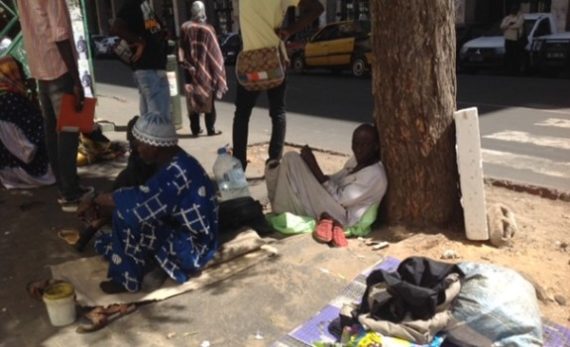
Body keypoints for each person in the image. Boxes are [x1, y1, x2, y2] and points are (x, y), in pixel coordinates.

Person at [78, 112, 218, 293]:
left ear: (154, 146)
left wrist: (97, 198)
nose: (136, 150)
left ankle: (126, 280)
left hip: (192, 249)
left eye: (138, 145)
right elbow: (148, 198)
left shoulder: (175, 174)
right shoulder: (179, 161)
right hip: (190, 236)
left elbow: (138, 205)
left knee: (125, 215)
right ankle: (154, 264)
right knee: (108, 240)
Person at [16, 0, 92, 212]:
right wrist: (76, 78)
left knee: (53, 130)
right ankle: (70, 191)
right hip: (59, 68)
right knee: (68, 130)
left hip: (41, 68)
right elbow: (59, 33)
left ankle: (65, 186)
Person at [232, 0, 324, 170]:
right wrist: (289, 31)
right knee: (278, 112)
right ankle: (274, 163)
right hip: (274, 60)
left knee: (242, 115)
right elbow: (317, 8)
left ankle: (238, 166)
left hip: (250, 63)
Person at [265, 124, 388, 247]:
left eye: (364, 145)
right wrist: (310, 172)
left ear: (375, 146)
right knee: (288, 162)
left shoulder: (375, 174)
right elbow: (335, 179)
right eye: (355, 143)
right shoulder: (357, 160)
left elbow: (340, 199)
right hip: (332, 203)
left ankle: (282, 209)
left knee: (291, 159)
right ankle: (282, 206)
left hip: (341, 217)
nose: (358, 149)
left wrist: (314, 167)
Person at [0, 56, 55, 189]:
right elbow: (33, 138)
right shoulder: (14, 101)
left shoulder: (6, 98)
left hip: (6, 170)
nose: (23, 76)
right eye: (20, 72)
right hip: (31, 170)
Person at [111, 0, 170, 121]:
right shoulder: (132, 5)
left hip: (153, 68)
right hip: (149, 68)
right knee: (158, 119)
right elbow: (116, 28)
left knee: (150, 117)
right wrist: (140, 41)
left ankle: (146, 137)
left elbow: (152, 31)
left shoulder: (144, 6)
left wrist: (161, 34)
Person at [179, 1, 227, 137]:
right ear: (203, 11)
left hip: (189, 70)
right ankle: (210, 129)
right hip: (206, 70)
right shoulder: (209, 28)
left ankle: (195, 129)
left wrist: (183, 62)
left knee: (192, 99)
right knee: (209, 100)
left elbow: (181, 47)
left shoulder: (185, 27)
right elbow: (215, 53)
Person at [501, 5, 524, 75]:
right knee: (508, 55)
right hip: (508, 39)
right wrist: (509, 24)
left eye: (515, 10)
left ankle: (515, 70)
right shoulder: (507, 18)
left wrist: (509, 26)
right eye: (512, 10)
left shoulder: (520, 17)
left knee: (515, 55)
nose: (513, 11)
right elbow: (502, 26)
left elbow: (518, 25)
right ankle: (508, 70)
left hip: (515, 39)